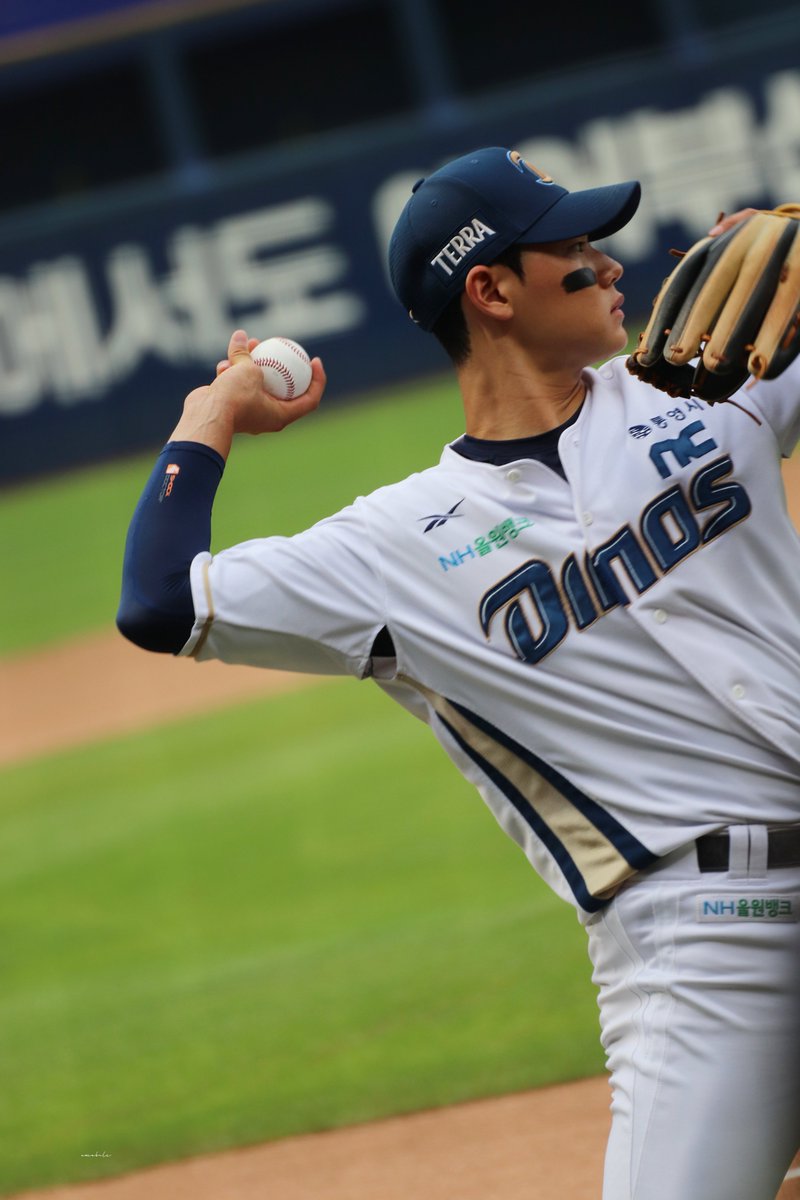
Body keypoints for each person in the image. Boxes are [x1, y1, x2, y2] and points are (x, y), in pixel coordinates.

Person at [118, 146, 800, 1200]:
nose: (609, 263)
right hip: (701, 947)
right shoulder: (391, 547)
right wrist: (214, 412)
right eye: (571, 247)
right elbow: (162, 602)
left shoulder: (709, 388)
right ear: (488, 290)